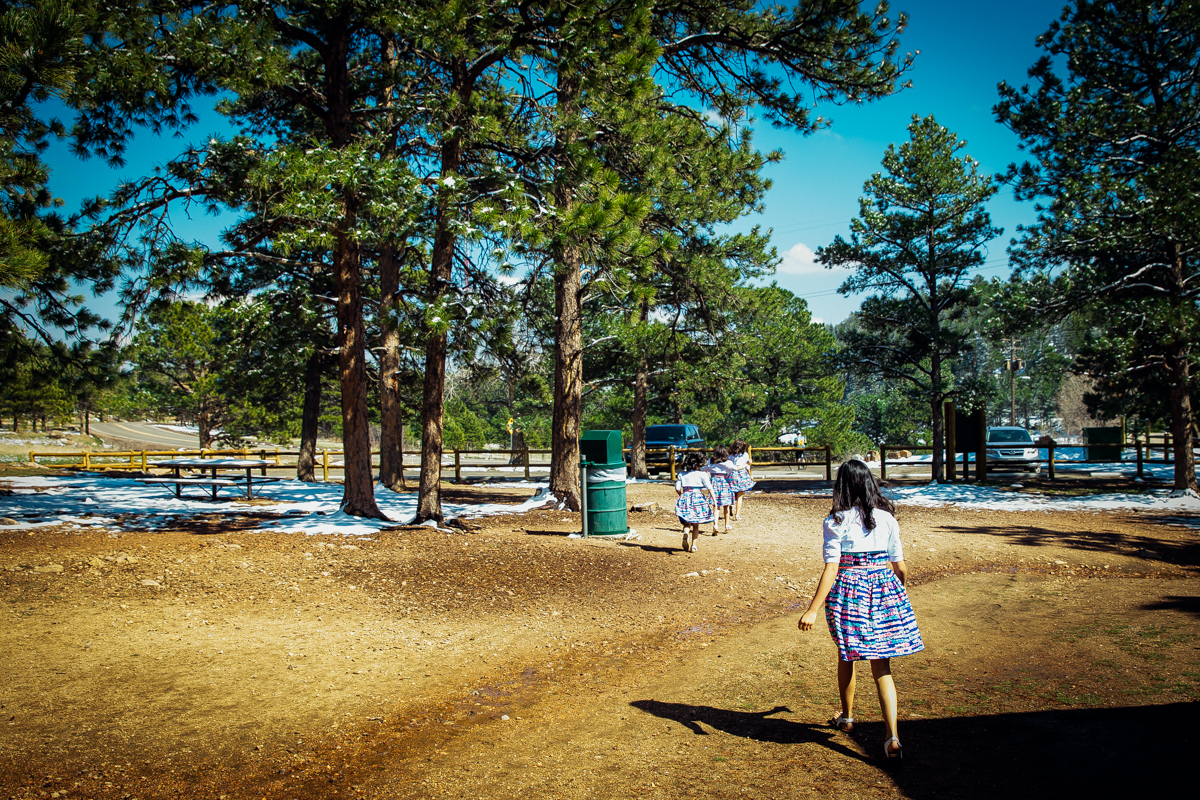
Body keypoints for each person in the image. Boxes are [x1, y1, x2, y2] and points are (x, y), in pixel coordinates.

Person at [797, 458, 923, 761]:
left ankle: (849, 717)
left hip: (849, 591)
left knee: (847, 653)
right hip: (883, 589)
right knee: (882, 666)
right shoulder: (887, 519)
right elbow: (901, 567)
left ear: (841, 486)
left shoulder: (836, 521)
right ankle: (892, 736)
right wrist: (899, 589)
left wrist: (813, 609)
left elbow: (831, 568)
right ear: (869, 484)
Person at [674, 452, 716, 552]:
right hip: (698, 498)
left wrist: (681, 495)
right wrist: (714, 500)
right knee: (696, 523)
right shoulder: (702, 474)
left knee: (687, 521)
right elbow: (710, 488)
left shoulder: (681, 474)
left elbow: (677, 488)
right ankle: (694, 546)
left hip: (686, 497)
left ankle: (686, 533)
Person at [704, 445, 736, 534]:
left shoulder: (711, 461)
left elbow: (704, 470)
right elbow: (734, 468)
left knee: (716, 506)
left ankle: (715, 524)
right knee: (726, 505)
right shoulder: (728, 462)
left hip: (714, 482)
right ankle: (727, 524)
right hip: (724, 482)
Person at [729, 439, 755, 520]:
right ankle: (737, 515)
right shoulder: (745, 455)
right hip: (742, 474)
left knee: (732, 492)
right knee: (740, 496)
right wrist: (750, 475)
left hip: (732, 474)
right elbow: (747, 466)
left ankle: (731, 504)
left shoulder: (730, 455)